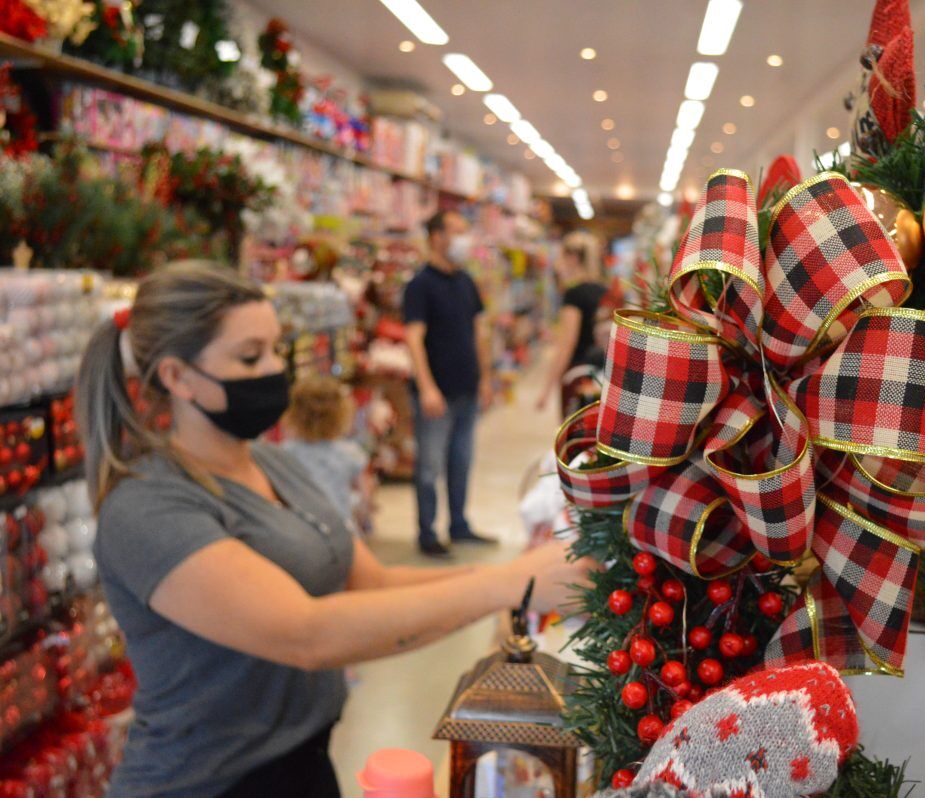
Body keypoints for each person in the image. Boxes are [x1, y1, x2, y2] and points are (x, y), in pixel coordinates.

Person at [77, 262, 592, 798]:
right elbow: (306, 633)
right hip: (204, 783)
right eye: (250, 356)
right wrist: (511, 585)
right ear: (176, 377)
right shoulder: (147, 509)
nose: (277, 369)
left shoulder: (275, 466)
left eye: (277, 349)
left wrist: (513, 574)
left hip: (303, 762)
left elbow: (369, 584)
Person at [403, 210, 494, 557]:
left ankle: (459, 524)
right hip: (435, 394)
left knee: (461, 462)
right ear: (436, 237)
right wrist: (426, 387)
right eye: (456, 231)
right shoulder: (420, 285)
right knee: (429, 467)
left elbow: (477, 333)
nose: (463, 239)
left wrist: (485, 378)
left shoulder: (466, 282)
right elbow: (413, 339)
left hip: (467, 389)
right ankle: (427, 532)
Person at [280, 375, 372, 531]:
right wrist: (362, 516)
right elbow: (365, 495)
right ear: (342, 413)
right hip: (341, 526)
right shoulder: (350, 452)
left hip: (303, 528)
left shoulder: (285, 453)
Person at [535, 233, 608, 415]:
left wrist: (546, 389)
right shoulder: (604, 291)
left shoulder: (574, 294)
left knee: (573, 435)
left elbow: (567, 344)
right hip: (602, 374)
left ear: (573, 258)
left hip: (577, 375)